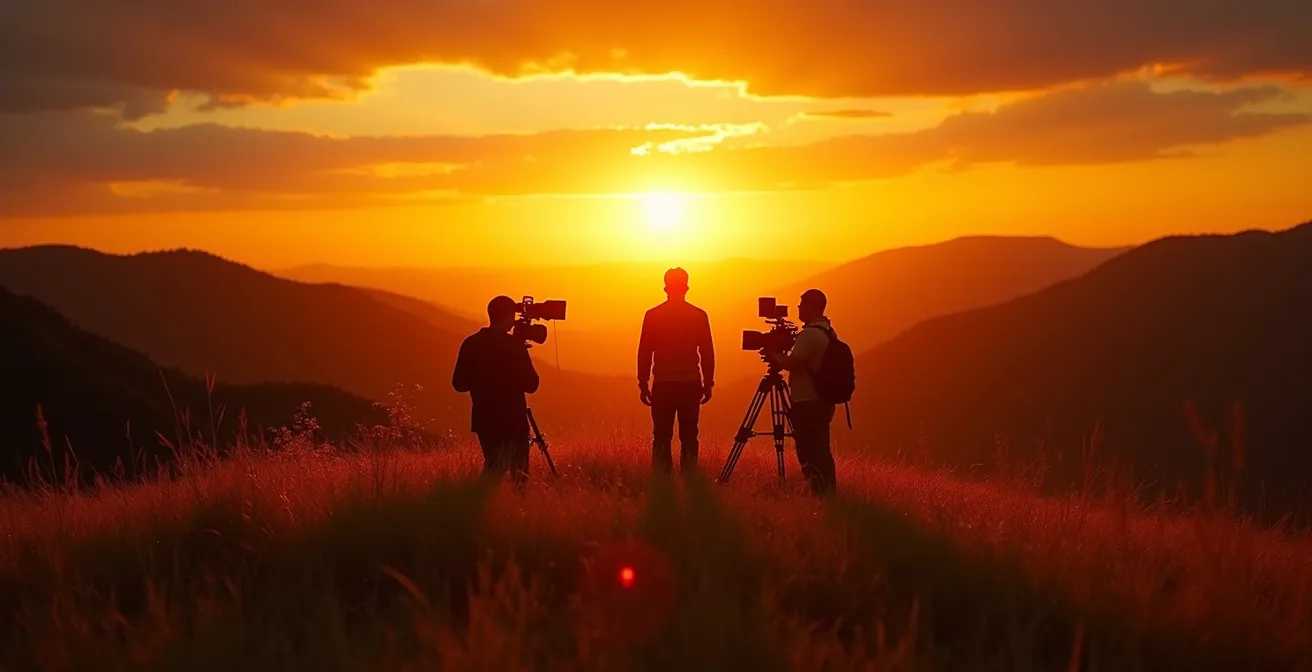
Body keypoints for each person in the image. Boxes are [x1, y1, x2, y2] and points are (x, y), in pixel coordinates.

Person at [452, 295, 540, 485]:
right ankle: (519, 510)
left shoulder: (471, 343)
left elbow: (459, 384)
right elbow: (532, 385)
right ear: (509, 316)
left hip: (485, 420)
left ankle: (477, 503)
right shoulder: (514, 346)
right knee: (520, 476)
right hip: (513, 420)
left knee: (493, 467)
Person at [638, 267, 716, 474]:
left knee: (661, 435)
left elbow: (645, 351)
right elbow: (707, 351)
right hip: (690, 383)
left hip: (663, 384)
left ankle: (662, 477)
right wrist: (708, 382)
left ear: (665, 288)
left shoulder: (653, 315)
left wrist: (643, 383)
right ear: (686, 288)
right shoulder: (698, 315)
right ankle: (689, 475)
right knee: (689, 434)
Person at [767, 289, 838, 495]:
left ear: (812, 307)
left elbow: (792, 362)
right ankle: (827, 491)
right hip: (823, 401)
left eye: (801, 304)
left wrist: (774, 355)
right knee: (821, 449)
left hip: (807, 402)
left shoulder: (809, 334)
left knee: (808, 450)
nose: (798, 308)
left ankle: (816, 491)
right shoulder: (828, 331)